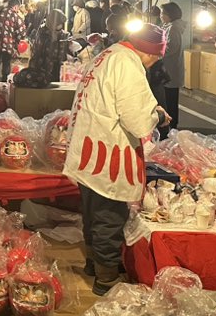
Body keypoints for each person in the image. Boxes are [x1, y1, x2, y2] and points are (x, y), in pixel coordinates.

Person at [64, 23, 170, 295]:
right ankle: (106, 278)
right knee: (109, 216)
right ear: (148, 51)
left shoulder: (108, 54)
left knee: (91, 212)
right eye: (157, 56)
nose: (155, 62)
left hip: (87, 147)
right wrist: (157, 115)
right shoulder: (127, 64)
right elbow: (136, 120)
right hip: (106, 152)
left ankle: (94, 264)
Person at [0, 0, 26, 82]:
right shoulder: (15, 16)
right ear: (15, 7)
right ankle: (4, 82)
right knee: (6, 63)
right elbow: (22, 32)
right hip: (6, 44)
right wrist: (16, 44)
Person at [160, 2, 186, 131]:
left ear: (170, 15)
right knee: (169, 98)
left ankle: (172, 125)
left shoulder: (174, 28)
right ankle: (171, 123)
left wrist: (157, 51)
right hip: (170, 69)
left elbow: (171, 47)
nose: (161, 16)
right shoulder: (170, 26)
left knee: (170, 99)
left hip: (170, 69)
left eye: (162, 13)